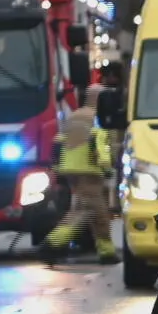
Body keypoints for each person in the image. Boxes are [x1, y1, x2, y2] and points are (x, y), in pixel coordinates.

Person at [43, 81, 118, 264]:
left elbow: (58, 141)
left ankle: (107, 253)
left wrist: (57, 167)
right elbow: (99, 143)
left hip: (70, 169)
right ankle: (51, 244)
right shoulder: (98, 117)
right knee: (85, 210)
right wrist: (107, 167)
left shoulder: (75, 116)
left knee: (97, 212)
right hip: (89, 170)